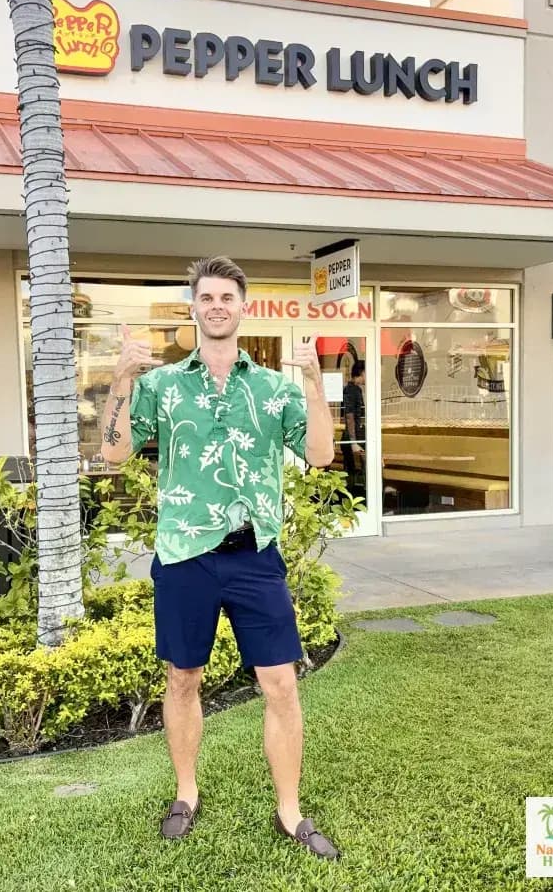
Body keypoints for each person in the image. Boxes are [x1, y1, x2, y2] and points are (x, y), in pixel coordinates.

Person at [101, 255, 341, 860]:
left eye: (226, 298)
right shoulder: (162, 385)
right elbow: (116, 453)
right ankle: (186, 793)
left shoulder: (274, 388)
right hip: (185, 555)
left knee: (281, 683)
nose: (216, 306)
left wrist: (314, 384)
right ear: (194, 307)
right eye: (206, 297)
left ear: (243, 307)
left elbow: (318, 455)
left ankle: (290, 812)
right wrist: (121, 381)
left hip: (254, 555)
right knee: (183, 678)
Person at [341, 359, 366, 500]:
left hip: (354, 437)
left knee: (352, 473)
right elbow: (349, 416)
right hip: (352, 438)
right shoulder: (351, 390)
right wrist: (353, 442)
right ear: (362, 372)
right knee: (351, 474)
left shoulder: (354, 389)